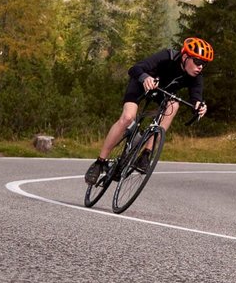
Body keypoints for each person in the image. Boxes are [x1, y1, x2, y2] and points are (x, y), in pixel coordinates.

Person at [85, 37, 213, 183]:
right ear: (185, 57)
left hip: (161, 93)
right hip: (141, 84)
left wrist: (199, 106)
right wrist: (145, 77)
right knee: (127, 117)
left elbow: (196, 95)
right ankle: (99, 162)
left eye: (204, 64)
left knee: (174, 105)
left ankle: (146, 154)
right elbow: (135, 68)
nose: (201, 67)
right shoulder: (168, 57)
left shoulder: (196, 76)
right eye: (198, 62)